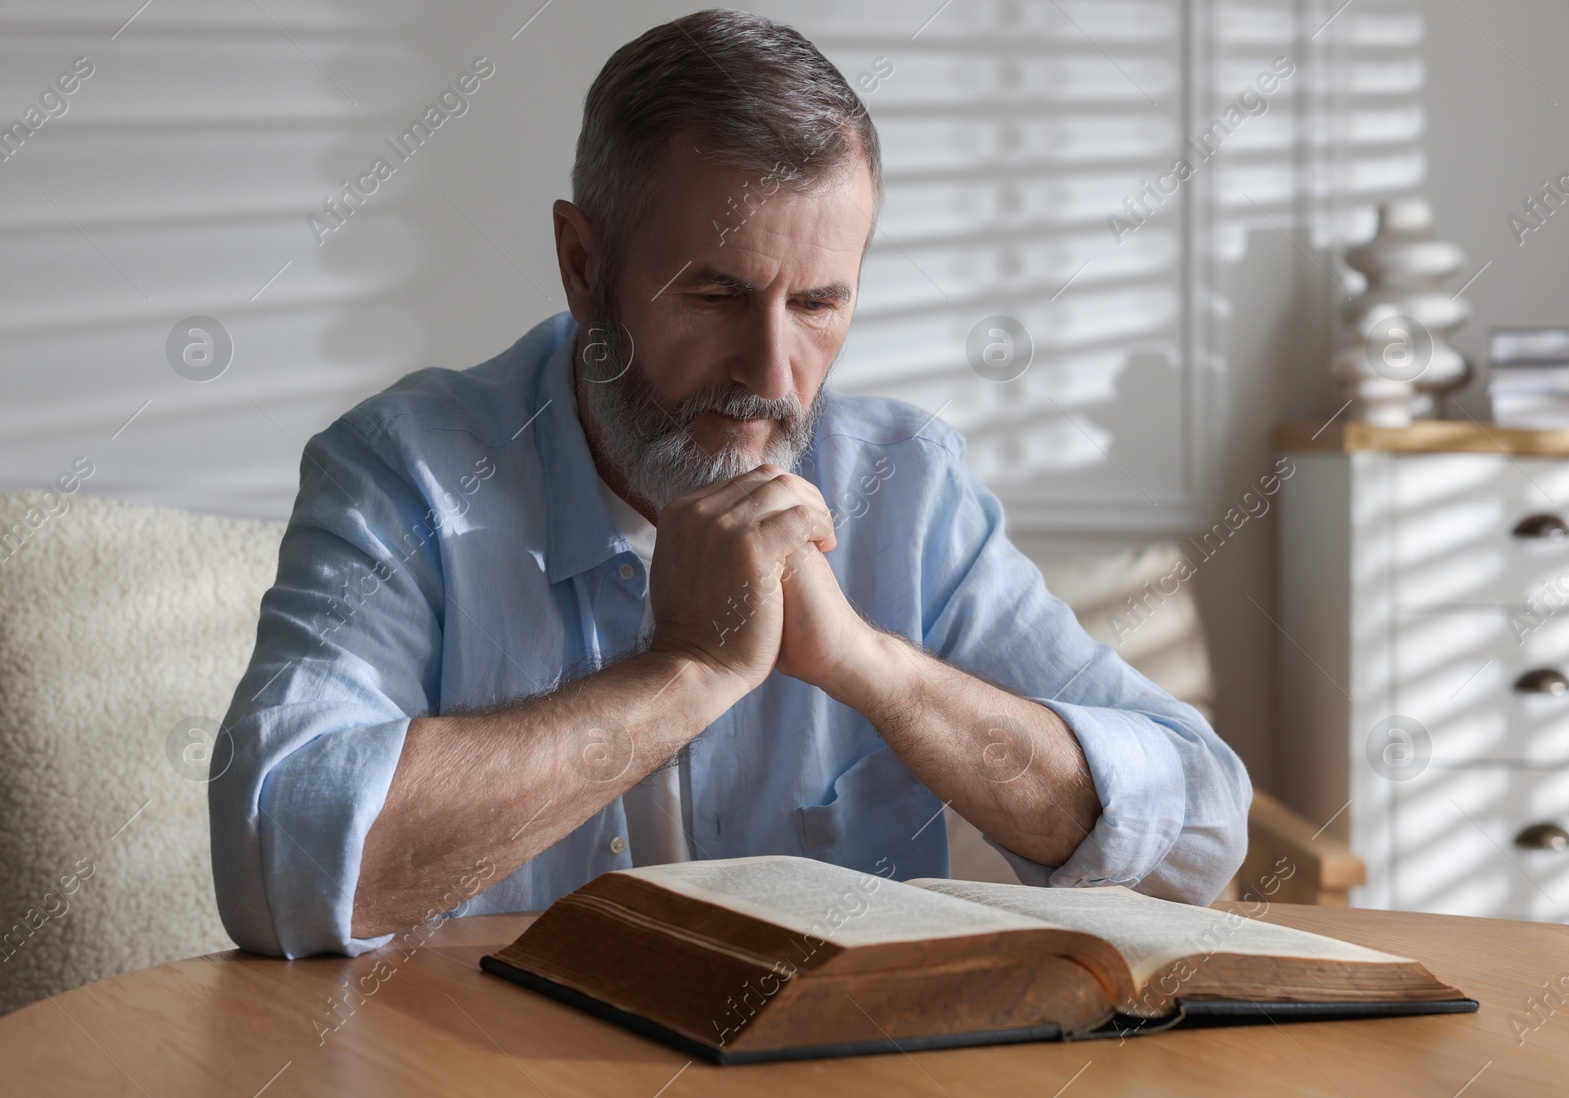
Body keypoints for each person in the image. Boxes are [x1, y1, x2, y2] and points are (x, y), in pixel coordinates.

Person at [210, 8, 1250, 959]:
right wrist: (687, 672)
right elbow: (275, 867)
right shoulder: (405, 473)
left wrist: (870, 670)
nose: (768, 372)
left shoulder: (907, 487)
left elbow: (1197, 835)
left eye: (817, 304)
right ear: (582, 264)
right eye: (713, 293)